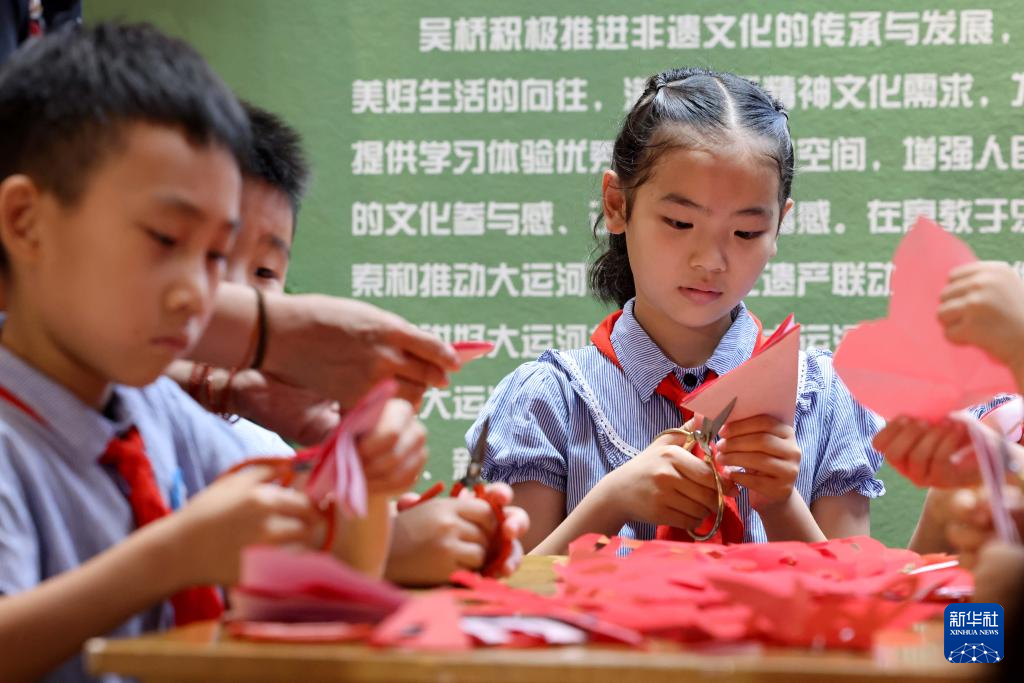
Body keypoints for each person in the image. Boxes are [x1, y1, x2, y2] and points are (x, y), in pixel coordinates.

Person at [0, 23, 422, 683]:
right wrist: (171, 557)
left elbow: (329, 569)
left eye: (214, 256)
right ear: (26, 222)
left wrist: (365, 468)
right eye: (165, 239)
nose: (198, 293)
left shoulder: (154, 410)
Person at [469, 67, 884, 555]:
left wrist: (779, 502)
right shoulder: (550, 400)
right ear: (617, 205)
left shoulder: (822, 397)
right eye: (679, 222)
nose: (711, 260)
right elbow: (513, 593)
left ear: (778, 226)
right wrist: (611, 501)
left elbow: (855, 592)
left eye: (746, 232)